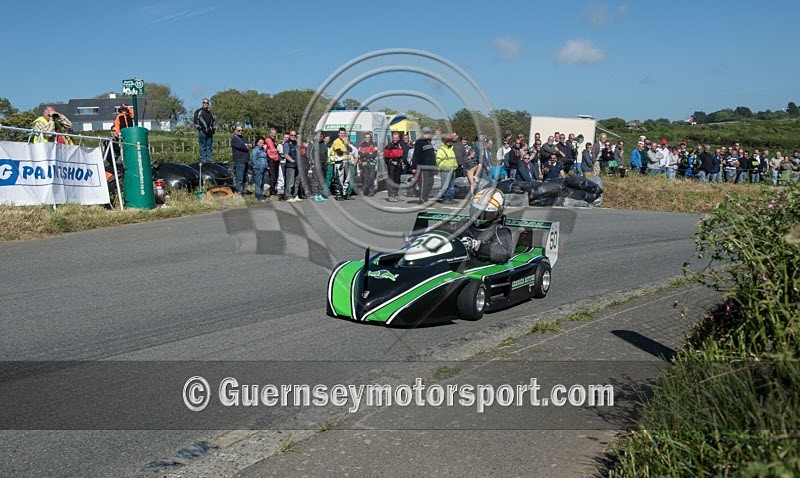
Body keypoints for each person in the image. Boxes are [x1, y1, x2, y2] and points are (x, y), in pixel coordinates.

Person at [458, 188, 513, 264]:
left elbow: (504, 253)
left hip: (481, 269)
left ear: (497, 213)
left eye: (485, 214)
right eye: (476, 211)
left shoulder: (500, 231)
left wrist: (478, 246)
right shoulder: (464, 224)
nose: (479, 217)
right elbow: (448, 232)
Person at [411, 126, 436, 203]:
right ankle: (422, 198)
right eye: (425, 133)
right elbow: (416, 155)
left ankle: (426, 196)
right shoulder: (419, 142)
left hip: (431, 166)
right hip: (423, 166)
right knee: (424, 183)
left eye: (428, 132)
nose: (427, 134)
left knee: (430, 183)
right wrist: (414, 167)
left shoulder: (429, 142)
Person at [331, 128, 352, 200]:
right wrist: (345, 150)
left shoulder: (346, 141)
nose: (342, 135)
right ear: (338, 134)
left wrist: (346, 143)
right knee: (339, 179)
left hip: (347, 161)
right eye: (341, 133)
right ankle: (338, 194)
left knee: (347, 178)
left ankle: (345, 193)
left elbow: (351, 150)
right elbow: (339, 152)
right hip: (339, 162)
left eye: (343, 133)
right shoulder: (336, 141)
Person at [436, 134, 458, 203]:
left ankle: (450, 198)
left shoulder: (451, 149)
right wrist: (445, 167)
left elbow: (453, 159)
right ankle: (445, 199)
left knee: (451, 185)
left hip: (452, 170)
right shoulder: (441, 150)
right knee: (445, 185)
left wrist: (455, 166)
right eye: (447, 140)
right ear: (444, 141)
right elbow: (438, 160)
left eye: (450, 140)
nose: (448, 142)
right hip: (446, 170)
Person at [307, 130, 329, 202]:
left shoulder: (322, 143)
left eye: (321, 136)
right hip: (316, 165)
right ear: (316, 136)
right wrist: (313, 163)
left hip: (323, 165)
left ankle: (320, 194)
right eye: (318, 136)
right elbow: (309, 154)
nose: (320, 137)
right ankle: (315, 194)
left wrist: (326, 163)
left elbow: (325, 154)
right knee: (315, 180)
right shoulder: (312, 143)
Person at [383, 131, 405, 202]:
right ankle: (390, 195)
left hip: (398, 165)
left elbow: (402, 155)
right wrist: (389, 163)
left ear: (398, 138)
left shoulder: (400, 145)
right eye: (394, 138)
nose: (395, 139)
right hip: (392, 165)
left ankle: (395, 194)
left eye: (396, 138)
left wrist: (402, 161)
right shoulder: (389, 146)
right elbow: (385, 157)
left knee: (397, 180)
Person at [230, 125, 251, 195]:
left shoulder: (243, 138)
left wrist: (246, 145)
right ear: (235, 131)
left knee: (245, 177)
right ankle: (238, 192)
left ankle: (244, 191)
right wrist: (246, 146)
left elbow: (250, 145)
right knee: (239, 177)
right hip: (239, 161)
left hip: (245, 160)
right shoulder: (234, 139)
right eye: (239, 130)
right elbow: (243, 147)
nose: (240, 132)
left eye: (241, 130)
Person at [282, 130, 302, 202]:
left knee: (297, 181)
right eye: (292, 135)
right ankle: (288, 196)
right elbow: (286, 155)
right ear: (289, 135)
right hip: (290, 165)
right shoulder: (287, 144)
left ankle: (295, 195)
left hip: (298, 165)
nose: (293, 136)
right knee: (290, 182)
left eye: (294, 135)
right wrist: (292, 161)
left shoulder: (296, 143)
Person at [358, 132, 379, 197]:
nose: (367, 138)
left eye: (368, 137)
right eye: (366, 137)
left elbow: (374, 154)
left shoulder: (374, 144)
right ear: (364, 138)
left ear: (370, 138)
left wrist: (366, 154)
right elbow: (360, 154)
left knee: (371, 177)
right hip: (364, 164)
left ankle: (370, 190)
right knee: (365, 178)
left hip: (372, 163)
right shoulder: (362, 144)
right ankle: (365, 191)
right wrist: (368, 153)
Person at [264, 127, 281, 197]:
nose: (273, 135)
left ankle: (273, 189)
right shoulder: (267, 140)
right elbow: (268, 150)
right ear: (270, 133)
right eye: (272, 133)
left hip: (276, 160)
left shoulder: (274, 141)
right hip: (270, 160)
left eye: (275, 134)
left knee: (276, 175)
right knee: (272, 176)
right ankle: (271, 191)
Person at [251, 137, 269, 201]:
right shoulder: (255, 150)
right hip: (258, 168)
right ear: (257, 143)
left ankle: (261, 194)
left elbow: (265, 159)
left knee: (262, 183)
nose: (261, 144)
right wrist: (259, 167)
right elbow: (254, 160)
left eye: (263, 143)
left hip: (264, 168)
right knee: (258, 183)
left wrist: (266, 166)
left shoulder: (263, 150)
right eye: (260, 142)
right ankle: (259, 196)